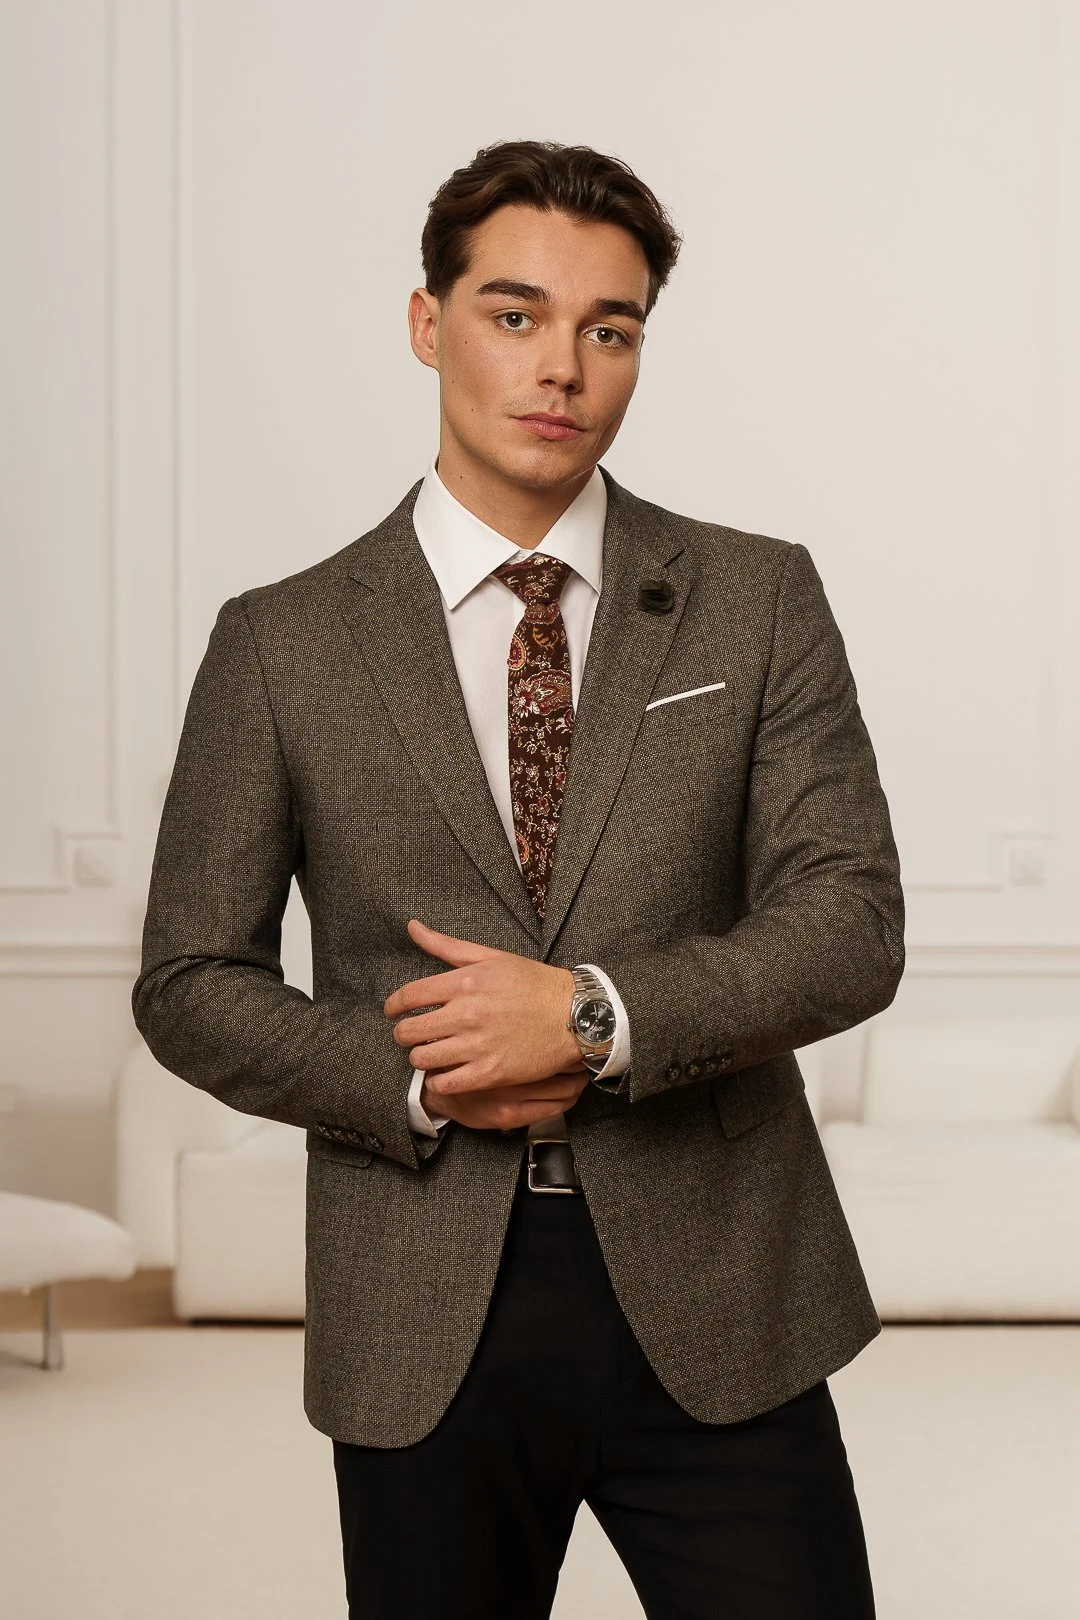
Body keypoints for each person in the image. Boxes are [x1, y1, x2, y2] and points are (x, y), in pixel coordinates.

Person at [132, 137, 905, 1619]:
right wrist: (418, 1073)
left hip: (722, 1280)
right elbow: (189, 983)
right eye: (515, 314)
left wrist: (598, 1016)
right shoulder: (280, 642)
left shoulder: (758, 594)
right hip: (422, 1295)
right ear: (428, 325)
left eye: (609, 329)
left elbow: (849, 924)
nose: (564, 366)